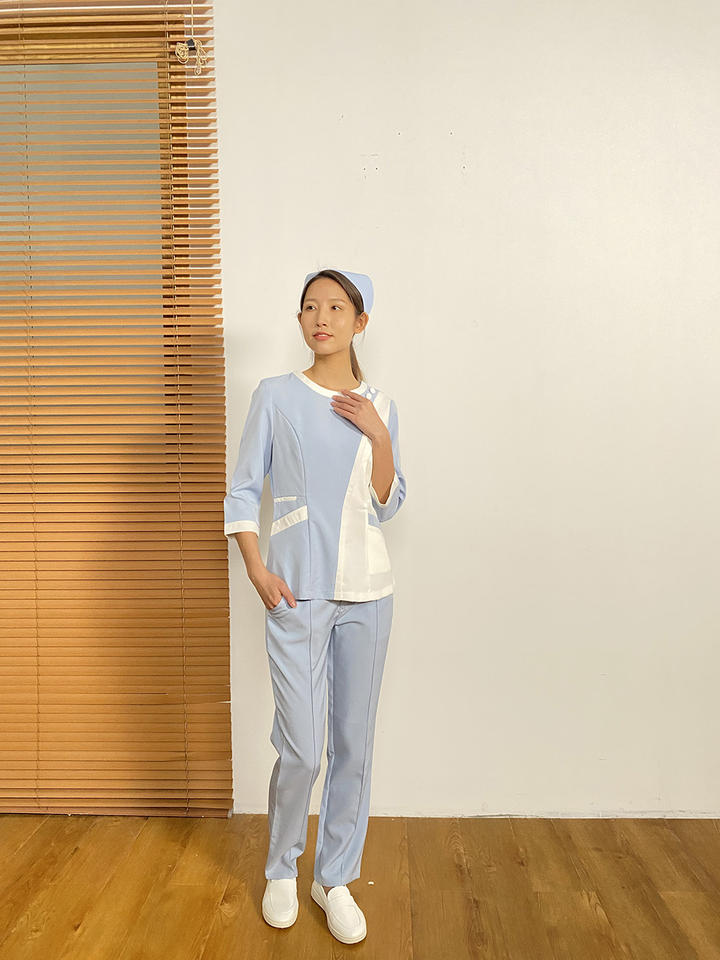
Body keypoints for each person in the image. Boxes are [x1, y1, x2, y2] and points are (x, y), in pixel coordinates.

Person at [223, 268, 406, 944]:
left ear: (360, 322)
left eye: (335, 307)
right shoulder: (275, 396)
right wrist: (256, 568)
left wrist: (379, 436)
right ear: (300, 320)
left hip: (368, 593)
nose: (320, 317)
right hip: (295, 590)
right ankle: (281, 867)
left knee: (353, 744)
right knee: (302, 747)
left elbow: (387, 503)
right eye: (309, 306)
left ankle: (335, 878)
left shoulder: (380, 404)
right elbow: (244, 490)